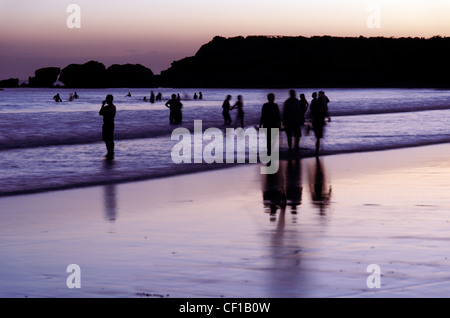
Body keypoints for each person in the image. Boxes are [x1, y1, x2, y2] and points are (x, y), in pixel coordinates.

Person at [309, 92, 331, 156]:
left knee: (317, 137)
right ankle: (317, 150)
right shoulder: (320, 102)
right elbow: (325, 108)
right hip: (320, 120)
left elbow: (311, 111)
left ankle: (317, 150)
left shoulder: (315, 102)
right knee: (318, 137)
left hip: (316, 120)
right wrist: (328, 117)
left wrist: (310, 118)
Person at [99, 94, 117, 160]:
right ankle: (111, 151)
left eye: (107, 99)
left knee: (106, 139)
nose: (106, 100)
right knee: (111, 138)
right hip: (112, 124)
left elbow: (100, 113)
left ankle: (109, 151)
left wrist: (102, 105)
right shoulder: (114, 107)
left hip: (106, 124)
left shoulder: (107, 107)